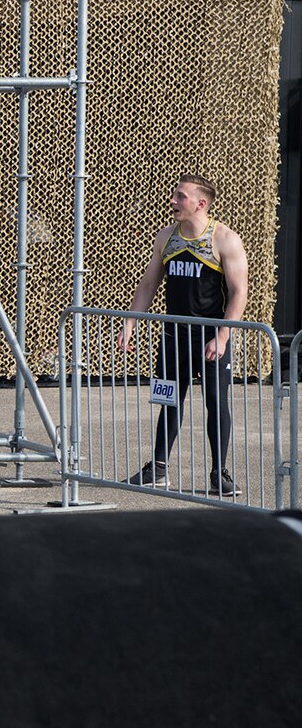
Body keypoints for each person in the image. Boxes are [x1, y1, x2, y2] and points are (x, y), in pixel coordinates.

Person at [119, 173, 250, 496]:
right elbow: (149, 284)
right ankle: (158, 468)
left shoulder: (225, 239)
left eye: (180, 197)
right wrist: (130, 323)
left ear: (200, 203)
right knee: (168, 399)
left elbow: (238, 292)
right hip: (174, 336)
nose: (173, 201)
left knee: (215, 403)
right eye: (174, 195)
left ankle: (219, 473)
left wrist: (222, 336)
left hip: (209, 337)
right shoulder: (166, 237)